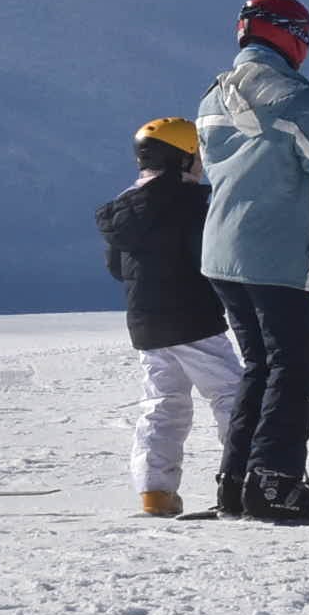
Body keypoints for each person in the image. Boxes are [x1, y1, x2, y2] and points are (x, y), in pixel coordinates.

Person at [196, 0, 309, 524]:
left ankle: (235, 481)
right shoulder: (290, 94)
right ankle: (276, 483)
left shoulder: (213, 94)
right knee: (291, 369)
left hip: (220, 252)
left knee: (259, 368)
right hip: (274, 253)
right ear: (292, 36)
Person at [95, 117, 240, 518]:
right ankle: (244, 478)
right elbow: (211, 260)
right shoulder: (190, 203)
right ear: (185, 158)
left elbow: (117, 267)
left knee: (163, 404)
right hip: (192, 316)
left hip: (145, 322)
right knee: (233, 395)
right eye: (200, 155)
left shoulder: (126, 207)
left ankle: (155, 492)